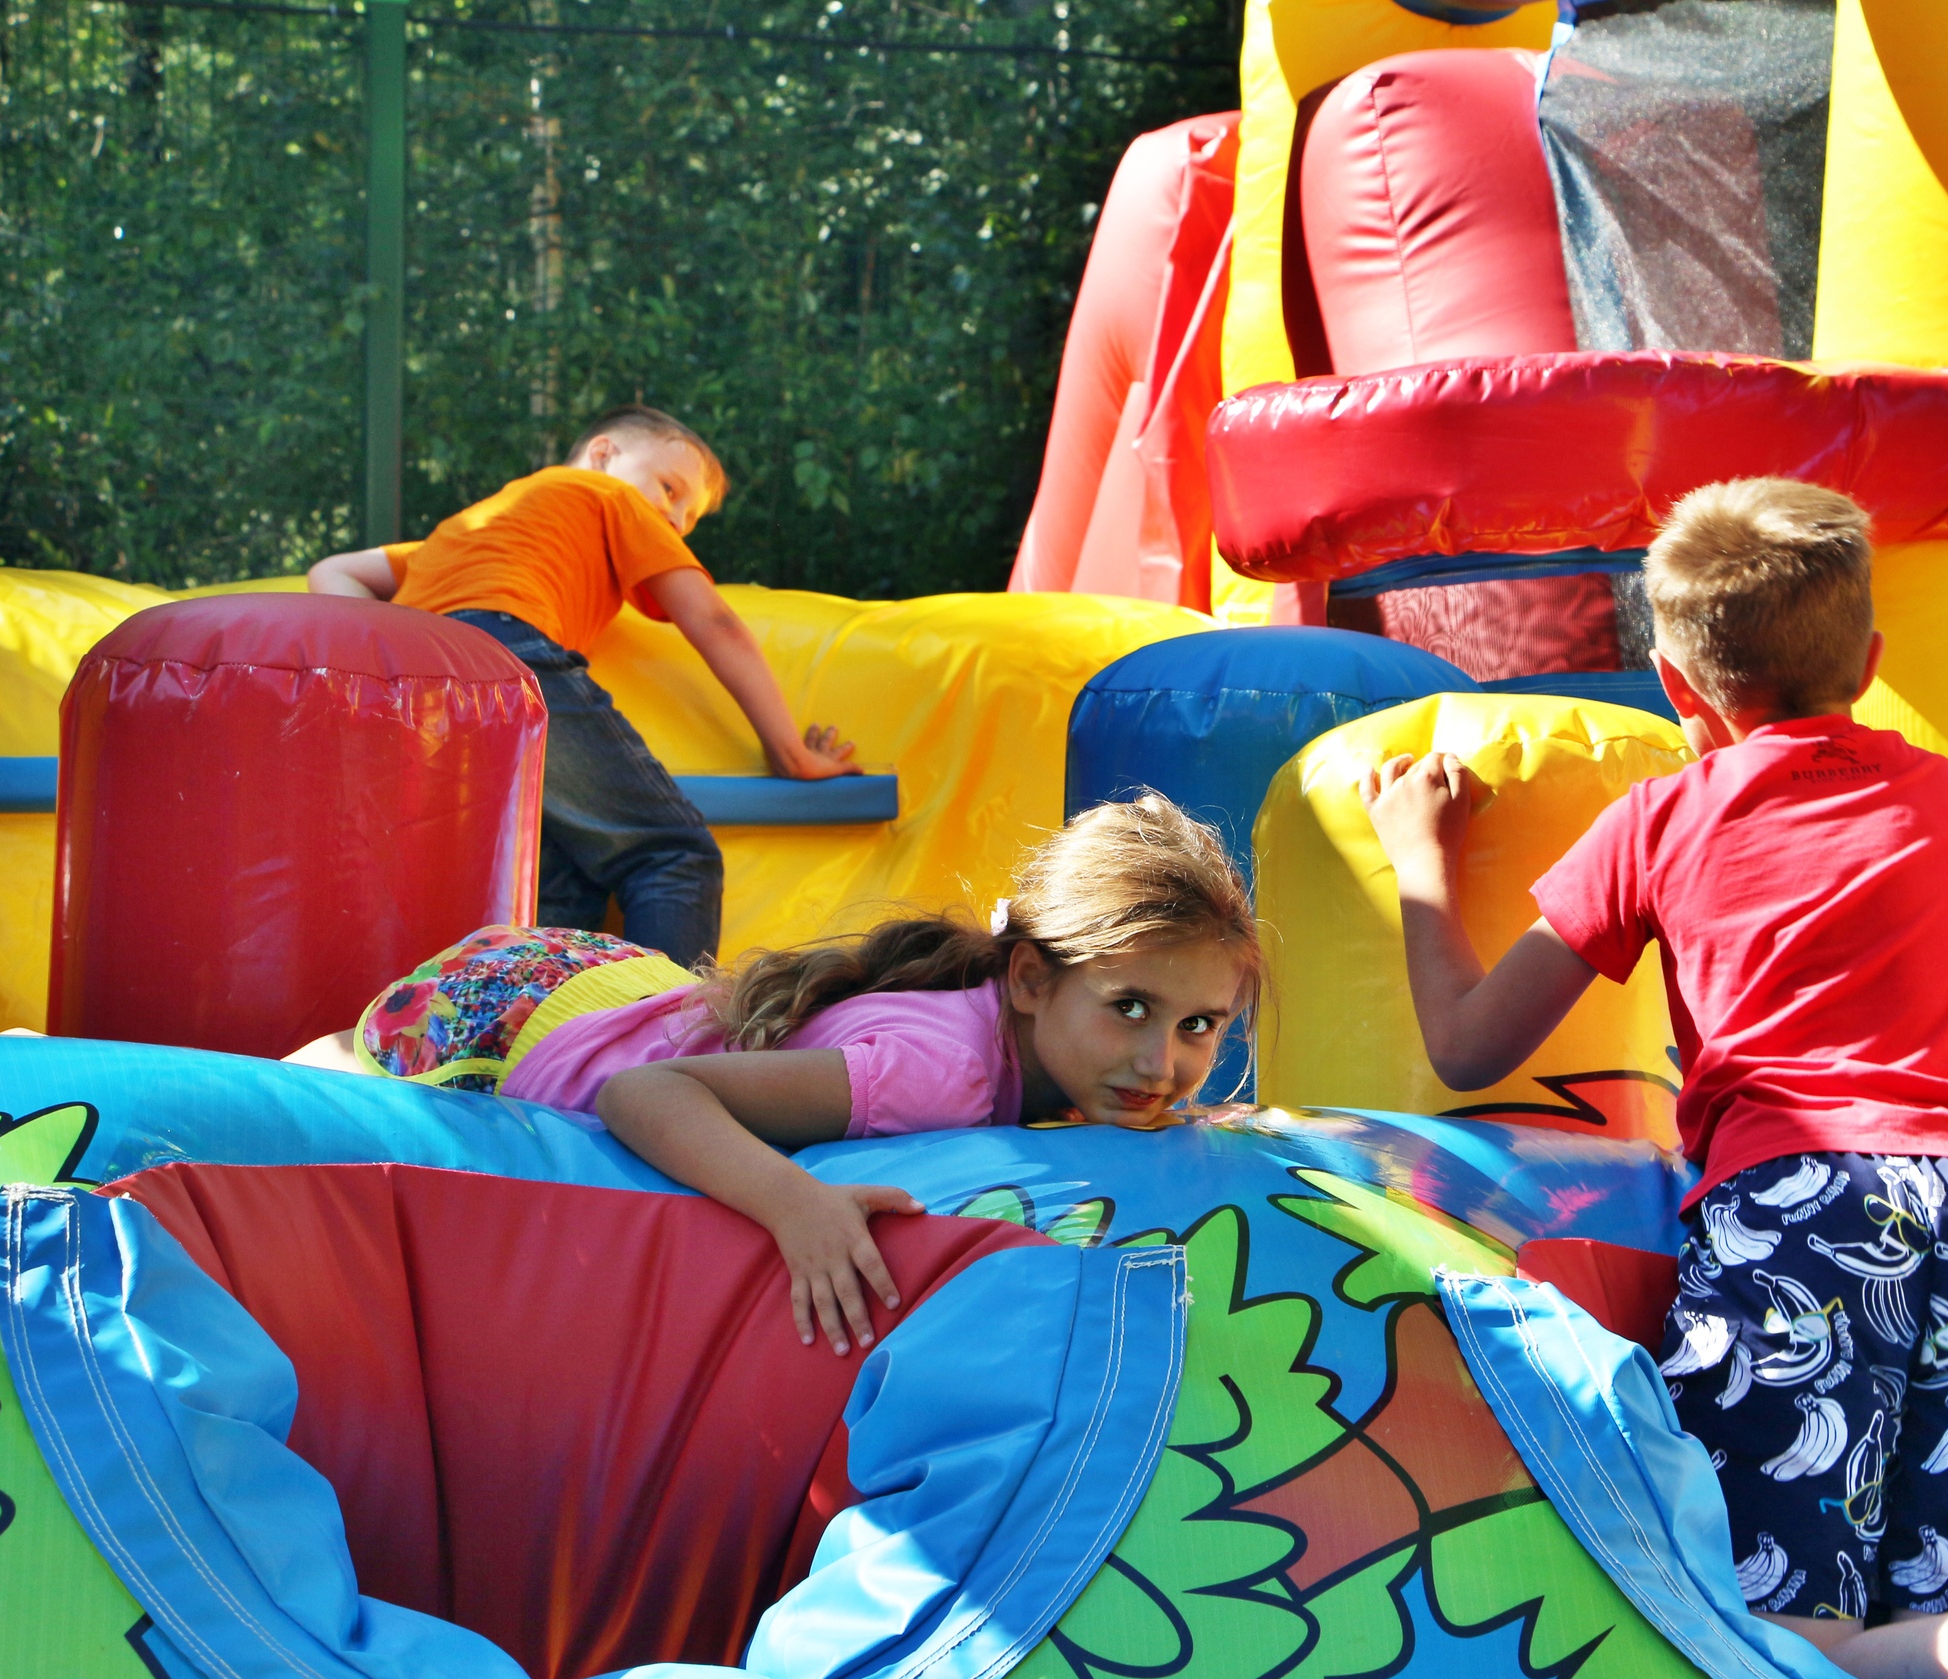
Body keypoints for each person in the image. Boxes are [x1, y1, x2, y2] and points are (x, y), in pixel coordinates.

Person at [1359, 478, 1948, 1679]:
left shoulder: (1657, 819)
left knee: (1771, 1628)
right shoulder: (1946, 797)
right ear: (1868, 662)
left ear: (1672, 684)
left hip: (1802, 1208)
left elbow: (1466, 1046)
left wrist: (1418, 857)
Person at [341, 792, 1258, 1356]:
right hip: (504, 1028)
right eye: (1129, 1006)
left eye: (1200, 1025)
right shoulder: (941, 1074)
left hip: (612, 982)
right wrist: (796, 1205)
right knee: (323, 1076)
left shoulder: (1030, 1034)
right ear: (1028, 978)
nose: (1162, 1062)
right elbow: (642, 1092)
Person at [306, 404, 857, 968]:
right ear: (603, 454)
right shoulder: (608, 493)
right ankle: (658, 1024)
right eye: (670, 490)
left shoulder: (471, 530)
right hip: (506, 657)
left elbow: (332, 570)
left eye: (688, 519)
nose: (673, 520)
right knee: (672, 856)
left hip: (420, 704)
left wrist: (392, 664)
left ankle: (539, 1021)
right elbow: (715, 622)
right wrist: (792, 753)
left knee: (562, 888)